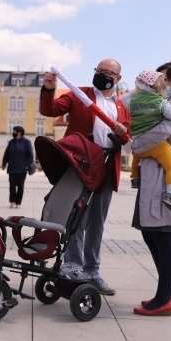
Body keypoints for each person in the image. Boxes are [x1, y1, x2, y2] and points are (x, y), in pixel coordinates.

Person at [39, 58, 130, 295]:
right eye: (98, 70)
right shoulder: (79, 95)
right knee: (74, 217)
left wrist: (122, 132)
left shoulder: (121, 107)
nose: (101, 74)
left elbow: (125, 141)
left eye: (107, 72)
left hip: (106, 168)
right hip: (80, 165)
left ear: (117, 78)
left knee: (96, 222)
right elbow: (50, 110)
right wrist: (49, 88)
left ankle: (92, 271)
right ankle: (72, 267)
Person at [131, 61, 171, 316]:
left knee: (163, 233)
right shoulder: (168, 99)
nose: (161, 85)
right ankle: (169, 292)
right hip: (155, 171)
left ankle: (164, 299)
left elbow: (164, 129)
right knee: (151, 232)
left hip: (166, 174)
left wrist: (135, 145)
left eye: (165, 79)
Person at [123, 70, 171, 212]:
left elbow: (124, 100)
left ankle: (135, 178)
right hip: (156, 144)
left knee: (136, 155)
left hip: (138, 142)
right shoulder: (160, 101)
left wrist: (135, 93)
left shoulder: (131, 101)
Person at [2, 126, 34, 209]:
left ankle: (18, 202)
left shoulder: (26, 142)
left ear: (19, 132)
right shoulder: (11, 142)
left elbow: (30, 155)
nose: (13, 132)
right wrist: (4, 163)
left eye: (15, 131)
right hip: (12, 168)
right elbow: (6, 153)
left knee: (20, 185)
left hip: (22, 169)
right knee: (12, 185)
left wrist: (26, 165)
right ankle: (12, 201)